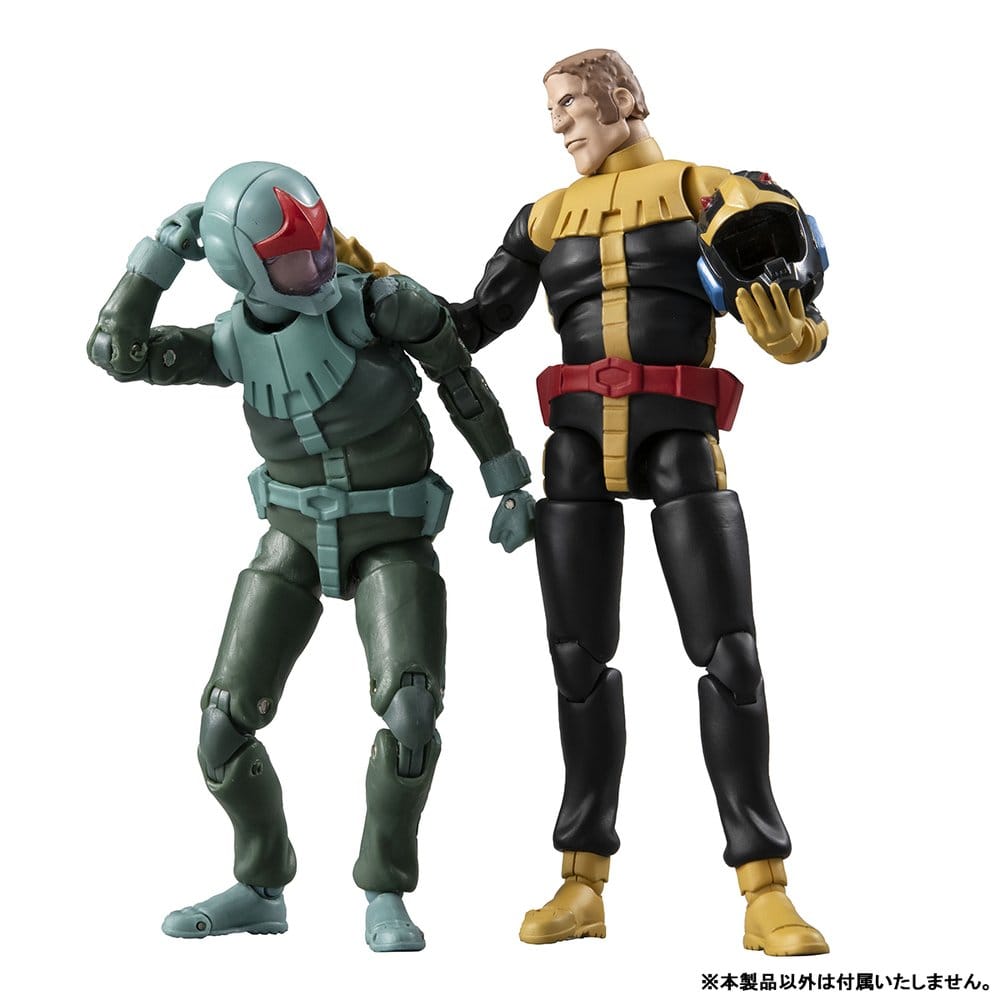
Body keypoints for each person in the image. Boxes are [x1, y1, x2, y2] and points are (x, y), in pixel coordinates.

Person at [88, 161, 534, 952]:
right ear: (243, 268)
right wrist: (158, 256)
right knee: (222, 726)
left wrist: (508, 481)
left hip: (390, 538)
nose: (321, 266)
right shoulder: (231, 342)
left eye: (322, 243)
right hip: (291, 538)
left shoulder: (380, 306)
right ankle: (261, 886)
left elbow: (460, 380)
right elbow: (116, 352)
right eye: (294, 259)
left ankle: (385, 890)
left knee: (411, 710)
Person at [450, 50, 828, 955]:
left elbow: (791, 297)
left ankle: (764, 888)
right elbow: (469, 322)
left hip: (679, 440)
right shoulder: (544, 218)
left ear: (623, 97)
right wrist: (369, 290)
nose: (559, 122)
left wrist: (796, 333)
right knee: (576, 663)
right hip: (575, 448)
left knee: (729, 655)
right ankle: (581, 880)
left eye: (570, 102)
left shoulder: (706, 190)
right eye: (551, 109)